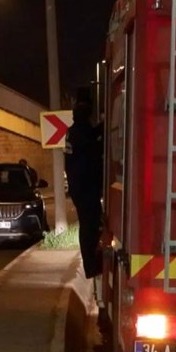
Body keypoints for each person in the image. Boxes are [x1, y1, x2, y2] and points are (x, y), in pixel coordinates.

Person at [65, 96, 104, 279]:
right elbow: (93, 150)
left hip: (81, 189)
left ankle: (92, 265)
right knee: (90, 228)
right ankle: (92, 266)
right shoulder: (81, 132)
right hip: (86, 189)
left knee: (89, 227)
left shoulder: (75, 131)